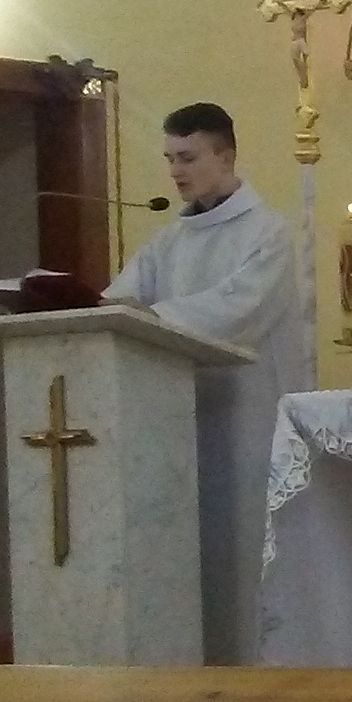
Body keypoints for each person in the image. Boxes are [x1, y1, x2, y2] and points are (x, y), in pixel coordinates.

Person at [103, 103, 308, 664]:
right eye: (170, 158)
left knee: (242, 551)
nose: (176, 171)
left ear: (226, 155)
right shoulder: (169, 241)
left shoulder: (267, 233)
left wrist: (154, 315)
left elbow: (239, 310)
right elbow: (119, 303)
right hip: (176, 418)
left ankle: (254, 668)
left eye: (188, 157)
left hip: (247, 421)